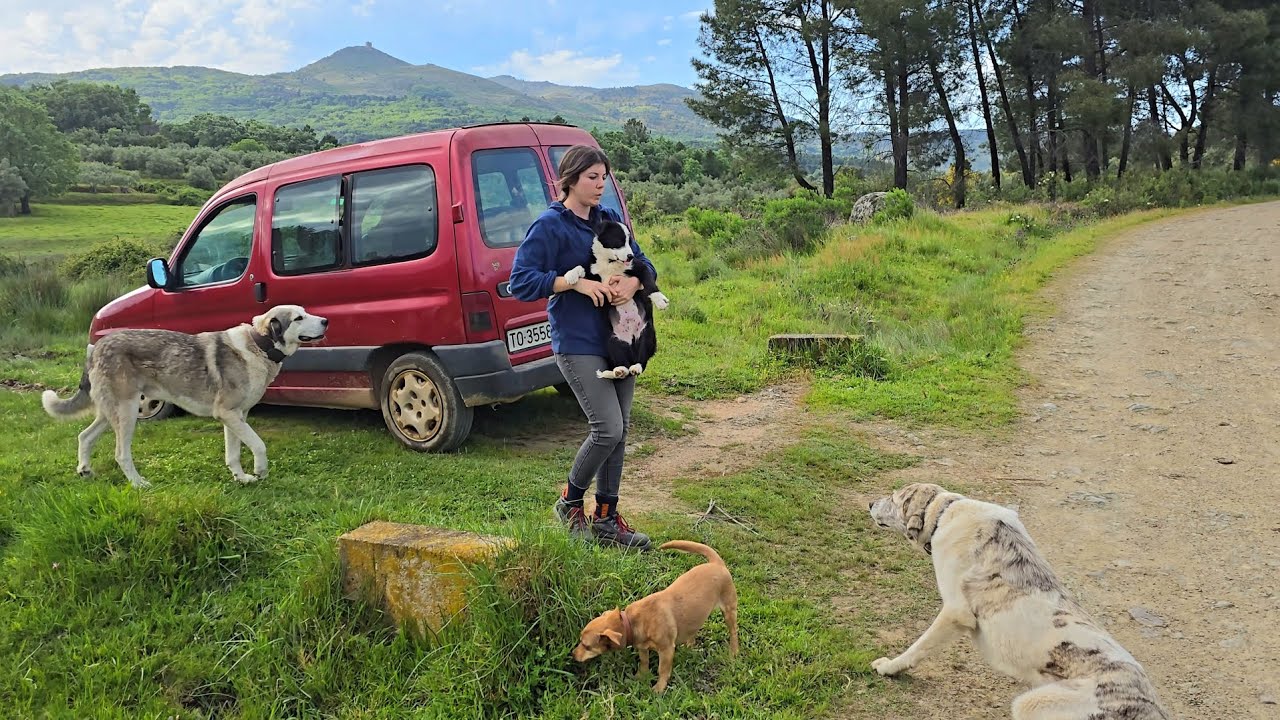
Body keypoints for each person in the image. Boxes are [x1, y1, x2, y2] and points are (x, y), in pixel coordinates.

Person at [508, 145, 654, 551]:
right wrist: (573, 282)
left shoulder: (611, 219)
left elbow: (645, 264)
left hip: (621, 343)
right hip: (577, 342)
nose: (600, 185)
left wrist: (634, 283)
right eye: (593, 178)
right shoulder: (550, 226)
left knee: (620, 432)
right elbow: (520, 282)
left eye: (604, 177)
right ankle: (569, 502)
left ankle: (607, 519)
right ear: (570, 179)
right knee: (607, 427)